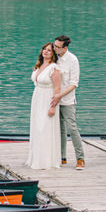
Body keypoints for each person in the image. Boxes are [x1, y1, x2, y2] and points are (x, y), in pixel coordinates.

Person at [26, 42, 63, 170]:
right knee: (36, 128)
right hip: (37, 98)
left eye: (49, 50)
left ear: (53, 54)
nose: (46, 52)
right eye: (44, 49)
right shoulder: (39, 66)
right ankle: (35, 158)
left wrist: (53, 106)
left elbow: (57, 88)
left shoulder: (54, 68)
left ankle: (46, 161)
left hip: (48, 99)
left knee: (44, 129)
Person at [54, 34, 84, 168]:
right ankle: (62, 157)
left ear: (64, 48)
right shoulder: (55, 59)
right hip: (54, 100)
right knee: (59, 129)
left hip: (67, 100)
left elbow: (74, 84)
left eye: (57, 47)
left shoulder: (72, 60)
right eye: (54, 45)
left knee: (72, 128)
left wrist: (60, 95)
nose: (54, 48)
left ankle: (80, 158)